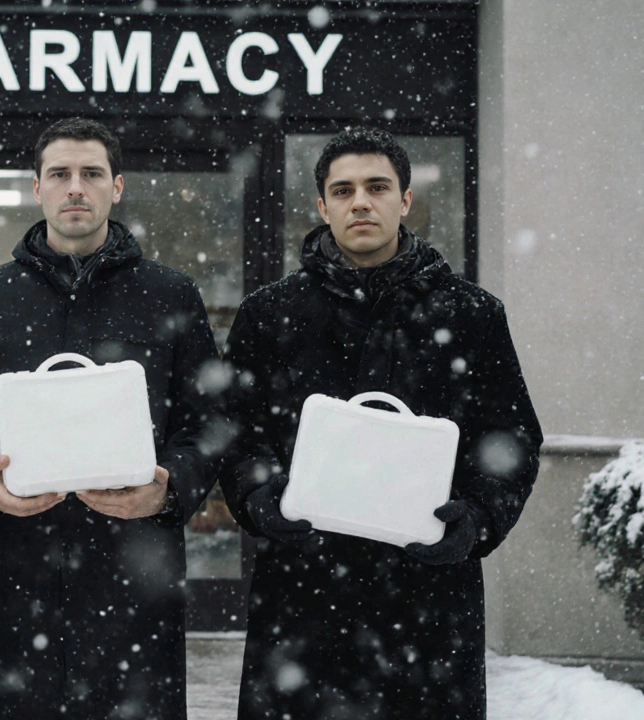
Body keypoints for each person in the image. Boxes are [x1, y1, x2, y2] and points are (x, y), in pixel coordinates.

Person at [220, 127, 543, 719]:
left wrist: (473, 520)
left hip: (427, 598)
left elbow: (512, 438)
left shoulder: (471, 313)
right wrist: (259, 497)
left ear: (405, 199)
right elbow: (236, 431)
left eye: (376, 187)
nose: (360, 202)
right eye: (342, 190)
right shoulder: (270, 314)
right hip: (304, 592)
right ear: (322, 206)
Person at [0, 118, 223, 720]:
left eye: (91, 174)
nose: (75, 188)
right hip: (18, 571)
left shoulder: (170, 295)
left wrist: (171, 487)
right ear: (38, 188)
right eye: (59, 174)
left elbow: (212, 423)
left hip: (137, 572)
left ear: (117, 186)